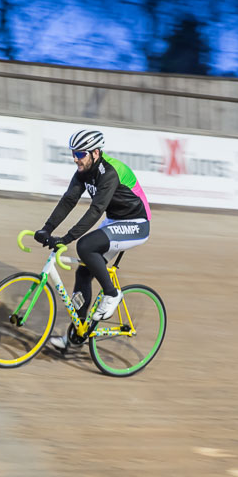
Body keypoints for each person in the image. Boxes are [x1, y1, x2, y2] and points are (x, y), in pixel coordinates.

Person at [34, 129, 152, 349]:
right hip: (115, 220)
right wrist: (46, 229)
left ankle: (112, 294)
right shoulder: (83, 171)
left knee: (85, 246)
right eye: (73, 153)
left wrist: (67, 238)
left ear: (95, 153)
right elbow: (69, 200)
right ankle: (78, 334)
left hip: (137, 223)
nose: (75, 158)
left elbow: (96, 210)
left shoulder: (110, 172)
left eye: (80, 154)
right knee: (83, 271)